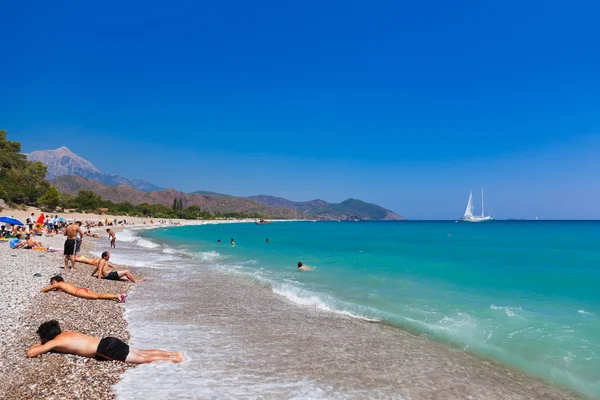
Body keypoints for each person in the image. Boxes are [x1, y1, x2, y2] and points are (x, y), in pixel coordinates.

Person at [27, 320, 183, 364]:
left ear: (46, 337)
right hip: (108, 340)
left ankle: (172, 359)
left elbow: (31, 353)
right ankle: (172, 353)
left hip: (105, 349)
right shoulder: (66, 334)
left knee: (140, 359)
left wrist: (42, 345)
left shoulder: (54, 342)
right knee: (142, 351)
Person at [41, 275, 126, 303]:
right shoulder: (65, 283)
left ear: (55, 281)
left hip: (77, 292)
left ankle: (117, 297)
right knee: (98, 295)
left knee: (97, 297)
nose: (52, 284)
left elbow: (46, 289)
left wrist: (42, 290)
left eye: (52, 282)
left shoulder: (58, 284)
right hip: (81, 289)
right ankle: (116, 296)